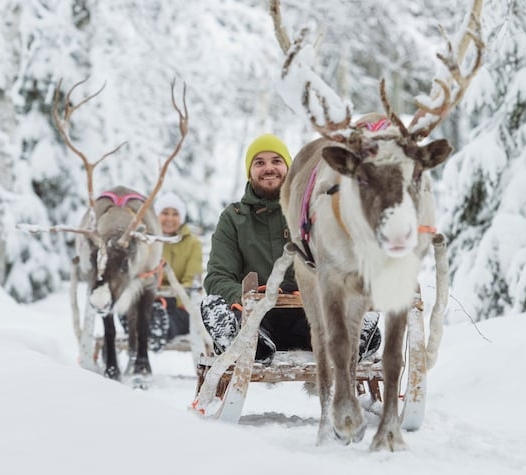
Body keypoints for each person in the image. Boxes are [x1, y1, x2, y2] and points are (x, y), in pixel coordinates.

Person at [199, 133, 380, 365]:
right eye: (259, 162)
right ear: (249, 171)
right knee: (212, 305)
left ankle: (354, 338)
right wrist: (246, 298)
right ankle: (250, 344)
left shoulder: (310, 211)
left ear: (288, 167)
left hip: (308, 318)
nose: (268, 168)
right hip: (257, 320)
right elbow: (218, 276)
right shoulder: (233, 219)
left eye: (276, 161)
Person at [148, 191, 203, 351]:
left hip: (179, 303)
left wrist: (172, 299)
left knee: (175, 319)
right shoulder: (148, 241)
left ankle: (160, 328)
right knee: (140, 308)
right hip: (151, 299)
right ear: (157, 215)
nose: (170, 218)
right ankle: (150, 323)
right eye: (164, 213)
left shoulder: (192, 244)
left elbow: (191, 280)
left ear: (182, 217)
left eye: (175, 214)